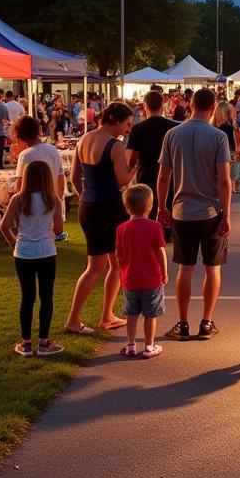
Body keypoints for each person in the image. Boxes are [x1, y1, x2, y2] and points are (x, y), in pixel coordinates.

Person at [156, 87, 231, 342]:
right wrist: (227, 214)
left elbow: (164, 176)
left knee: (185, 268)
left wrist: (162, 207)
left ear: (190, 105)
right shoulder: (218, 136)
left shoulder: (171, 134)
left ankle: (183, 323)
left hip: (182, 211)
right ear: (213, 108)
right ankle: (207, 322)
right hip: (210, 211)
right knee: (212, 268)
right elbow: (224, 181)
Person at [64, 101, 134, 335]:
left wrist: (85, 196)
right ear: (115, 119)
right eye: (126, 124)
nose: (127, 129)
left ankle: (102, 316)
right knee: (108, 265)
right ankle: (91, 317)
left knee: (100, 265)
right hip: (109, 206)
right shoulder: (114, 145)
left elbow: (74, 177)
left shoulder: (84, 139)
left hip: (88, 205)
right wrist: (135, 167)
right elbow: (123, 180)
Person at [1, 159, 64, 357]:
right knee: (46, 297)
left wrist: (14, 241)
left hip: (23, 252)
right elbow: (60, 229)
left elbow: (5, 226)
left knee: (27, 297)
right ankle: (44, 342)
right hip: (46, 251)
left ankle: (26, 342)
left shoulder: (18, 199)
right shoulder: (53, 199)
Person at [115, 183, 168, 359]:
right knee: (150, 314)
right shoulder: (154, 227)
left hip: (130, 279)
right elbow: (160, 252)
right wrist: (164, 272)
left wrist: (123, 271)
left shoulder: (121, 229)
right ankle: (149, 346)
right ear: (150, 206)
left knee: (131, 314)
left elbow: (119, 255)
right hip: (151, 279)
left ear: (126, 206)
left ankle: (130, 345)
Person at [125, 91, 177, 222]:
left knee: (148, 216)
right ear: (163, 105)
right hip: (171, 177)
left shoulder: (138, 129)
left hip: (146, 176)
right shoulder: (174, 127)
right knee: (170, 214)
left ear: (145, 106)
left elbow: (131, 160)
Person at [13, 115, 65, 199]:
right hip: (52, 202)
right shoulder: (53, 150)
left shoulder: (25, 155)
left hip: (33, 206)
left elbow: (19, 188)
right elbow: (61, 181)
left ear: (21, 136)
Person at [211, 100, 240, 195]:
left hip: (215, 155)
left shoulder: (212, 126)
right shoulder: (231, 127)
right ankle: (234, 188)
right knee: (231, 175)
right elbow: (237, 143)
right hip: (229, 154)